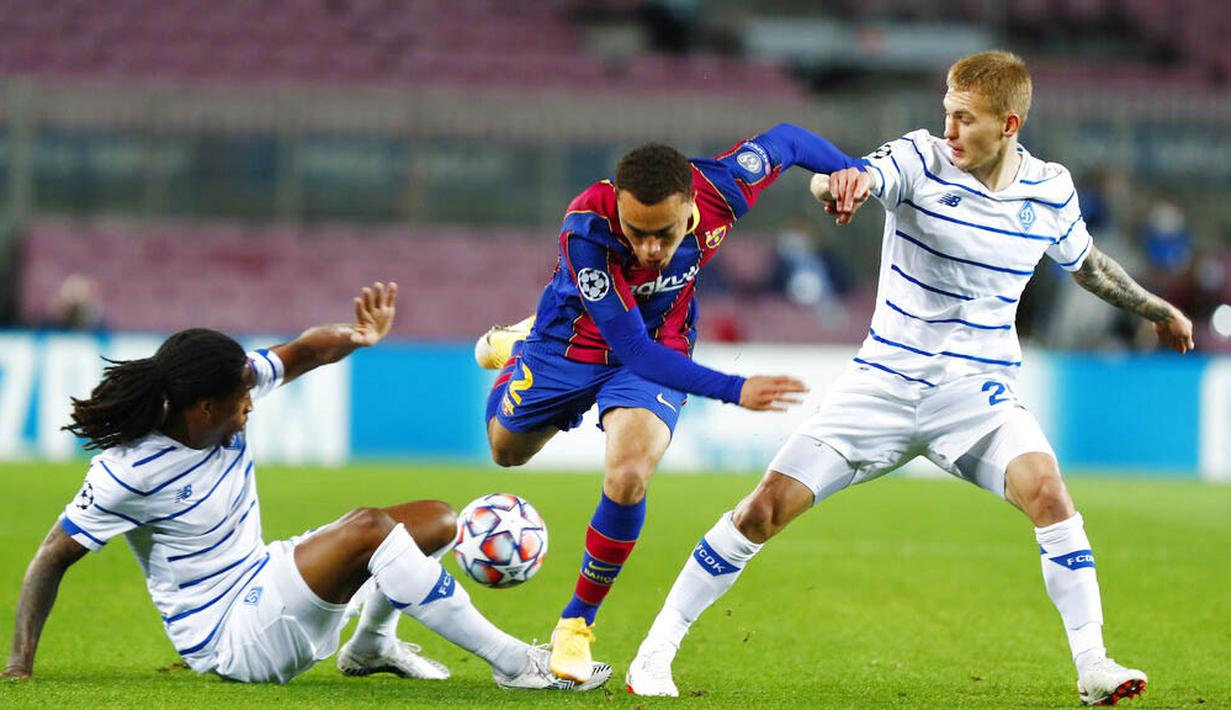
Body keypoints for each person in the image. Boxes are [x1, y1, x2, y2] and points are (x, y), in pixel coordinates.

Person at [627, 51, 1194, 707]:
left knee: (1048, 493)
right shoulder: (917, 159)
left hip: (976, 397)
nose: (948, 130)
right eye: (945, 114)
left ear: (1008, 125)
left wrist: (1157, 309)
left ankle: (1093, 664)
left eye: (964, 119)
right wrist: (837, 186)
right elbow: (852, 178)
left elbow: (1086, 265)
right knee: (762, 511)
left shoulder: (1049, 189)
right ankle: (654, 652)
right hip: (881, 387)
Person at [3, 281, 612, 692]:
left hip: (261, 574)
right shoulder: (126, 472)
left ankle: (370, 646)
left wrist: (360, 336)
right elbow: (51, 558)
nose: (252, 402)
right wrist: (19, 665)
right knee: (375, 530)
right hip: (227, 634)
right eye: (241, 398)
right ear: (201, 407)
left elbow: (303, 351)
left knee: (438, 521)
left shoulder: (224, 393)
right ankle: (516, 664)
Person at [474, 127, 872, 681]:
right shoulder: (587, 229)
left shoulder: (723, 189)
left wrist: (854, 171)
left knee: (630, 473)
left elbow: (788, 141)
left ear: (690, 206)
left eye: (663, 234)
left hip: (662, 339)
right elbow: (628, 348)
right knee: (506, 452)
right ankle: (520, 345)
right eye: (637, 233)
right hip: (573, 343)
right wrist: (734, 389)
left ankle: (575, 626)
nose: (650, 250)